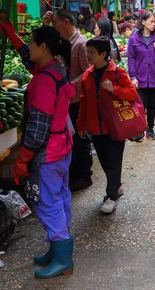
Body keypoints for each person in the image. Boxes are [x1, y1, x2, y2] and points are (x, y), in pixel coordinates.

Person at [0, 22, 75, 279]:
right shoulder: (56, 68)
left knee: (46, 202)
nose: (28, 48)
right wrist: (13, 36)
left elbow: (38, 128)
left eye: (31, 43)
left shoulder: (43, 82)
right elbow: (32, 63)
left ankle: (63, 258)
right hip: (63, 146)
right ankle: (57, 248)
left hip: (48, 152)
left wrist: (22, 160)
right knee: (60, 196)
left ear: (43, 47)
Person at [77, 37, 137, 214]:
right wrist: (81, 125)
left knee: (114, 162)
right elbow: (84, 102)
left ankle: (111, 196)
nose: (88, 56)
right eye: (87, 52)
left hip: (115, 127)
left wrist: (114, 89)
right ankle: (116, 186)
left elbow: (132, 94)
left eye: (92, 52)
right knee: (104, 161)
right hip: (96, 129)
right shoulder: (87, 76)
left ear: (104, 54)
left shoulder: (117, 72)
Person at [42, 10, 93, 192]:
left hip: (76, 99)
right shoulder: (64, 43)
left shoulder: (80, 44)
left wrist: (72, 85)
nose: (55, 29)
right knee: (70, 139)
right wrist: (46, 25)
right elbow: (45, 45)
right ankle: (74, 174)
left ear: (65, 22)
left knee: (80, 137)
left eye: (56, 25)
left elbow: (89, 71)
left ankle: (85, 175)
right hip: (65, 100)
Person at [127, 12, 155, 140]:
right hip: (140, 77)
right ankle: (139, 130)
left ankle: (150, 128)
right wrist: (133, 77)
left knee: (151, 105)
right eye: (151, 21)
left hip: (154, 77)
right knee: (140, 106)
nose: (153, 24)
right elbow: (131, 59)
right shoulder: (134, 38)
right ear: (143, 22)